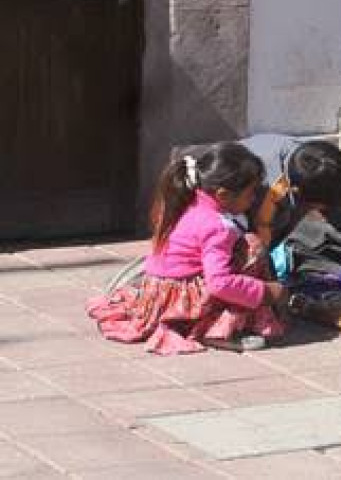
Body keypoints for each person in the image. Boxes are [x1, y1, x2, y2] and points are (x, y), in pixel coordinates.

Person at [87, 142, 287, 355]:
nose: (254, 199)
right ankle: (218, 329)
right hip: (181, 301)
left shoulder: (187, 203)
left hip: (157, 295)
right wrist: (265, 291)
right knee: (252, 247)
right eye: (250, 193)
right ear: (222, 194)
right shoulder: (216, 226)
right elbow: (219, 283)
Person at [243, 138, 341, 292]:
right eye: (326, 207)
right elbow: (242, 249)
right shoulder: (249, 188)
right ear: (298, 194)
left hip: (273, 233)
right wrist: (268, 288)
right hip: (239, 244)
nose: (335, 210)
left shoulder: (319, 167)